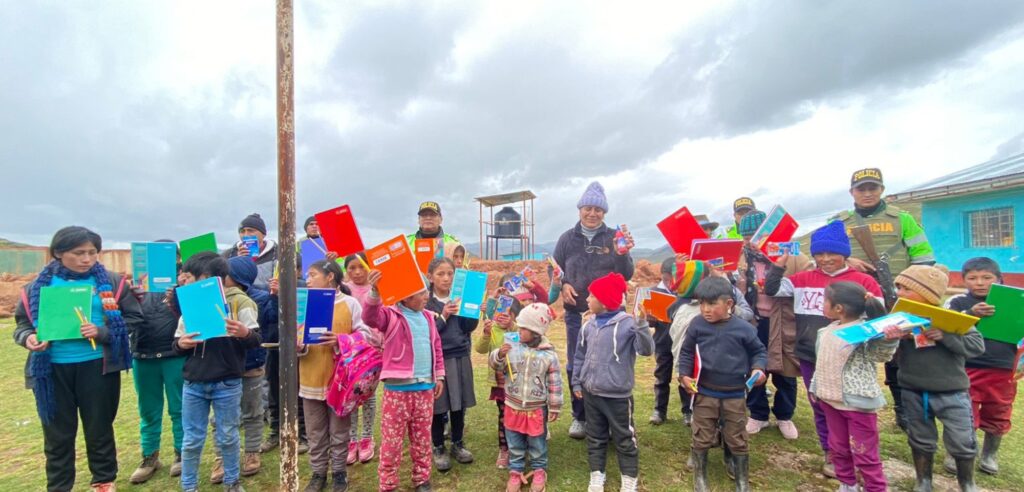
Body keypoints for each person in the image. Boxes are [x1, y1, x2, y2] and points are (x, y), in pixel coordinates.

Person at [14, 226, 144, 492]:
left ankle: (104, 481)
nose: (87, 259)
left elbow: (133, 319)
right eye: (79, 253)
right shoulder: (37, 288)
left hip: (97, 366)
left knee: (99, 428)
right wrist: (28, 338)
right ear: (59, 253)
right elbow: (22, 324)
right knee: (57, 435)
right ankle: (60, 486)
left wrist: (103, 332)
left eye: (92, 252)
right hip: (51, 371)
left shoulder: (111, 282)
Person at [764, 220, 882, 478]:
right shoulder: (801, 279)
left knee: (852, 409)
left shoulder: (863, 282)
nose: (826, 259)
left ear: (845, 254)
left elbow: (879, 319)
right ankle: (831, 452)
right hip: (809, 355)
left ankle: (861, 455)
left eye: (832, 253)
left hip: (850, 360)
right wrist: (780, 261)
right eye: (820, 254)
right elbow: (771, 289)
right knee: (820, 404)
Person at [833, 168, 936, 431]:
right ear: (852, 192)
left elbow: (924, 257)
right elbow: (825, 255)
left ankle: (904, 409)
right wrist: (846, 259)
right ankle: (843, 403)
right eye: (861, 189)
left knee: (899, 350)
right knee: (849, 349)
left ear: (882, 190)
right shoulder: (839, 222)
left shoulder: (902, 219)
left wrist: (906, 286)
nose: (867, 193)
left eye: (872, 188)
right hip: (855, 297)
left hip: (895, 294)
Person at [883, 265, 984, 492]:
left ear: (927, 293)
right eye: (898, 287)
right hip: (913, 390)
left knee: (962, 441)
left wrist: (946, 336)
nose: (899, 292)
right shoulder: (900, 319)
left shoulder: (952, 319)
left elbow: (976, 346)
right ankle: (924, 480)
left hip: (952, 393)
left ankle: (967, 482)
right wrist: (893, 338)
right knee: (920, 437)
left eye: (906, 288)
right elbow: (883, 349)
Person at [171, 252, 261, 492]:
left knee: (229, 435)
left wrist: (244, 333)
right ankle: (188, 486)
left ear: (207, 278)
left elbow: (255, 340)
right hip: (194, 384)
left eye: (189, 277)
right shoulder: (188, 308)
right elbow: (177, 344)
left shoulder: (238, 303)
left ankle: (232, 482)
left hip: (227, 383)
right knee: (191, 440)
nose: (184, 281)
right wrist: (182, 344)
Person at [553, 181, 635, 439]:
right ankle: (580, 416)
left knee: (609, 364)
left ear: (604, 212)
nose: (592, 213)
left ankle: (608, 418)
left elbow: (627, 273)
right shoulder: (567, 238)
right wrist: (564, 283)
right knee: (576, 364)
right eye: (587, 208)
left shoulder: (614, 237)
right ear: (580, 209)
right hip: (576, 312)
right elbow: (554, 267)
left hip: (610, 316)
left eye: (598, 210)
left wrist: (623, 253)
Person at [678, 277, 767, 492]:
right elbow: (687, 352)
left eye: (711, 304)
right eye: (701, 304)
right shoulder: (697, 325)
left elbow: (758, 352)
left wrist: (759, 369)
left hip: (735, 394)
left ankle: (741, 480)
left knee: (736, 435)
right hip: (705, 392)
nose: (705, 309)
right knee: (702, 433)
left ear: (729, 304)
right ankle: (700, 477)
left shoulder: (744, 328)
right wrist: (684, 375)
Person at [362, 269, 445, 492]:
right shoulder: (390, 315)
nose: (426, 295)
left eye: (425, 290)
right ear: (406, 296)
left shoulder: (428, 317)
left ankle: (422, 479)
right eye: (420, 292)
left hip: (425, 388)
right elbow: (369, 317)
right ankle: (388, 483)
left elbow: (436, 347)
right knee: (392, 441)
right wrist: (375, 292)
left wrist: (439, 376)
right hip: (397, 391)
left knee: (422, 438)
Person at [571, 272, 654, 492]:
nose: (587, 300)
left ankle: (629, 479)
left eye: (591, 295)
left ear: (605, 300)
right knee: (595, 437)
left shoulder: (628, 324)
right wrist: (577, 382)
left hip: (617, 396)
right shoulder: (589, 325)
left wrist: (642, 324)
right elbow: (580, 355)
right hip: (591, 393)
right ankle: (596, 476)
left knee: (624, 438)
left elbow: (646, 350)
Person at [810, 282, 896, 492]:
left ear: (838, 308)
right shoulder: (826, 331)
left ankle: (875, 487)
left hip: (856, 405)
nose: (822, 305)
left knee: (864, 452)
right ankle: (847, 483)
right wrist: (815, 386)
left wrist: (888, 340)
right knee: (838, 446)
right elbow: (821, 363)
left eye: (824, 301)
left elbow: (880, 355)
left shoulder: (864, 331)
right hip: (830, 401)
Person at [735, 211, 803, 440]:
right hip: (754, 320)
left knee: (785, 368)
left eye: (752, 236)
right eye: (745, 236)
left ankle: (784, 415)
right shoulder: (742, 257)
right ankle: (758, 414)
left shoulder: (793, 256)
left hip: (783, 319)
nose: (749, 241)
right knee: (753, 365)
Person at [944, 257, 1015, 475]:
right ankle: (957, 452)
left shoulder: (1013, 302)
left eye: (987, 278)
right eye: (972, 278)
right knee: (964, 411)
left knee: (999, 411)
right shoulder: (958, 303)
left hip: (1003, 370)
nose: (980, 283)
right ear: (964, 280)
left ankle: (989, 455)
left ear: (999, 279)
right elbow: (947, 324)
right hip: (967, 367)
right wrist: (971, 314)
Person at [300, 259, 365, 492]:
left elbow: (364, 336)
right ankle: (318, 474)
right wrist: (299, 346)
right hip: (309, 377)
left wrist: (341, 340)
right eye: (307, 275)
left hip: (340, 382)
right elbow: (293, 335)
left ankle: (339, 472)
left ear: (330, 277)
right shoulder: (303, 304)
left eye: (312, 274)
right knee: (315, 432)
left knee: (339, 431)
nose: (307, 279)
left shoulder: (350, 304)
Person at [129, 240, 186, 483]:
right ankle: (149, 456)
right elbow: (124, 318)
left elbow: (194, 316)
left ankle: (182, 454)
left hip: (173, 355)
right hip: (142, 354)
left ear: (176, 258)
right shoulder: (135, 284)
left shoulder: (184, 283)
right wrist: (130, 298)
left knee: (179, 408)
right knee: (148, 411)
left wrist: (179, 297)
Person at [490, 303, 563, 492]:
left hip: (536, 408)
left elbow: (555, 382)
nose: (519, 330)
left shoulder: (549, 355)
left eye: (523, 328)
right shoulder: (513, 347)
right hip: (512, 405)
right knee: (514, 441)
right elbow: (495, 365)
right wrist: (499, 354)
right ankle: (515, 471)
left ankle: (539, 470)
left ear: (535, 331)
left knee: (537, 442)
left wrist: (555, 406)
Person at [425, 257, 479, 471]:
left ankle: (457, 443)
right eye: (440, 274)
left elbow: (468, 327)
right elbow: (428, 333)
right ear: (430, 277)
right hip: (438, 360)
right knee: (438, 406)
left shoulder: (460, 297)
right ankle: (438, 446)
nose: (446, 278)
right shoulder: (426, 303)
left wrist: (473, 310)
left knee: (459, 403)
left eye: (450, 274)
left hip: (460, 355)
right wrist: (444, 315)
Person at [342, 253, 378, 465]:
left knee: (369, 394)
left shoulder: (375, 288)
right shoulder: (344, 290)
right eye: (352, 268)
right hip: (349, 351)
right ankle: (352, 439)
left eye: (361, 267)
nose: (357, 272)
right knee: (351, 395)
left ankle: (367, 437)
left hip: (372, 350)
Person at [222, 213, 279, 291]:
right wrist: (239, 261)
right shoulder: (228, 255)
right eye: (242, 231)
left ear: (263, 234)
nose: (246, 235)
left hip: (268, 300)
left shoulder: (279, 253)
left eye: (251, 231)